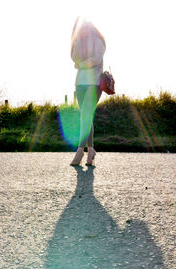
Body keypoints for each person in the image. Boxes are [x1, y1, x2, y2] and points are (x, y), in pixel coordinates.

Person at [70, 17, 106, 166]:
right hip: (80, 83)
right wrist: (77, 40)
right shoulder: (79, 41)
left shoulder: (99, 40)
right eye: (81, 30)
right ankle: (91, 150)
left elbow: (96, 59)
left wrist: (82, 64)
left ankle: (79, 150)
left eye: (85, 29)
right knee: (86, 116)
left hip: (95, 82)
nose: (83, 32)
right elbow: (73, 58)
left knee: (85, 114)